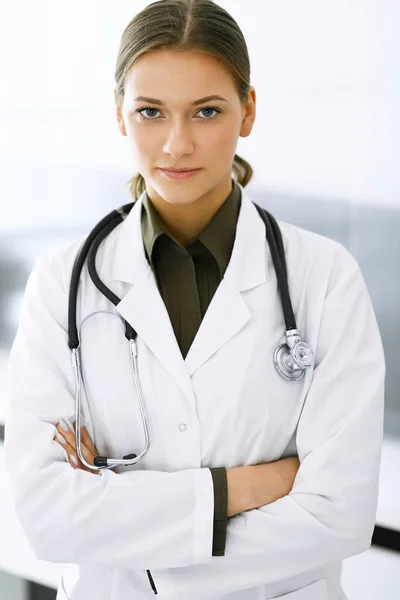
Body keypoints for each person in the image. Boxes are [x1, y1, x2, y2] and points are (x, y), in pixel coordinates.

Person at [4, 1, 386, 599]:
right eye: (150, 112)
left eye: (206, 111)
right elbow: (48, 516)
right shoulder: (63, 284)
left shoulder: (325, 279)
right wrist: (240, 491)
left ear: (248, 111)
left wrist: (130, 543)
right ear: (119, 114)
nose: (177, 143)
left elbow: (337, 514)